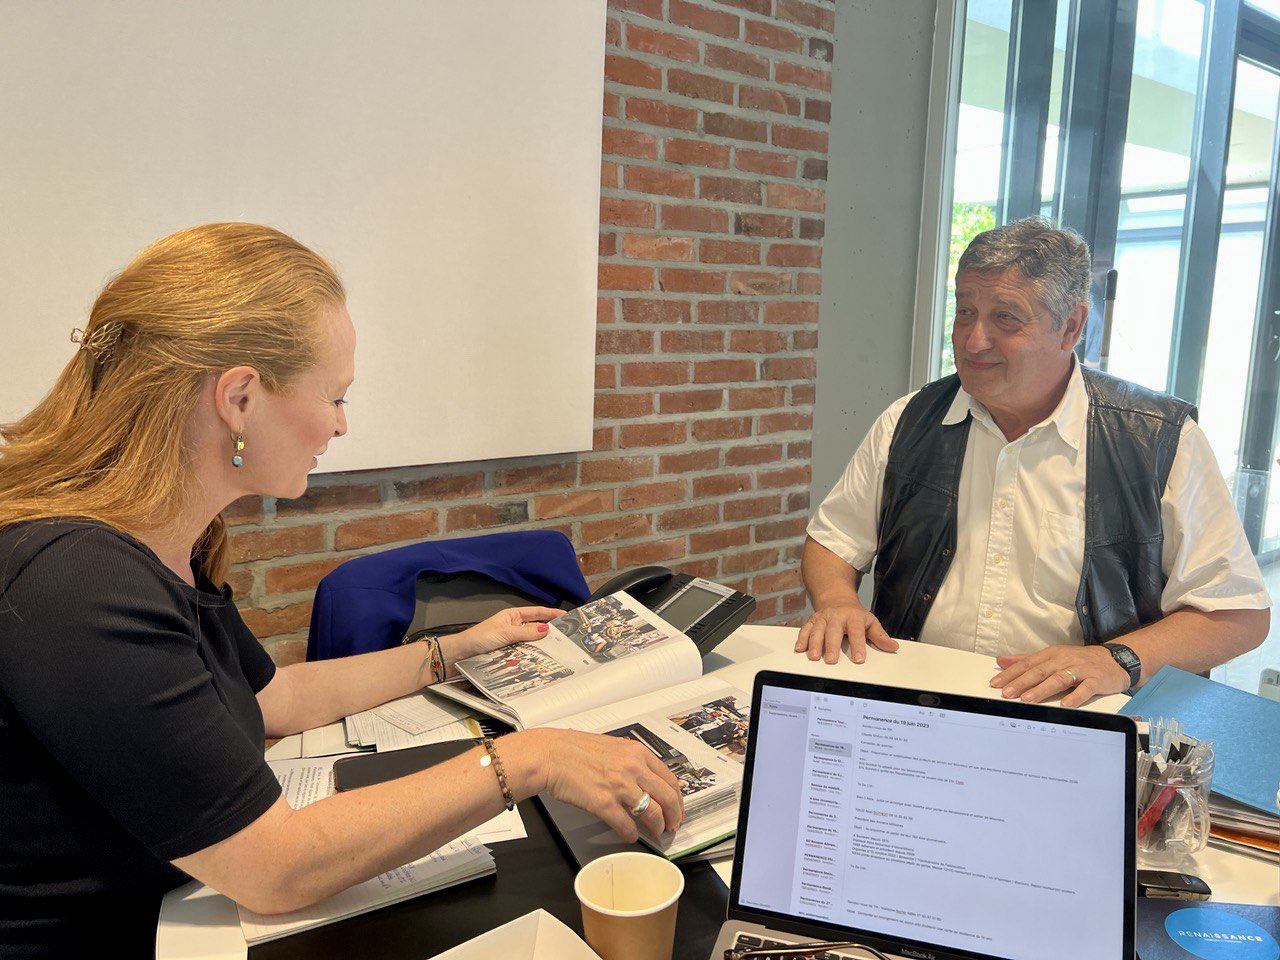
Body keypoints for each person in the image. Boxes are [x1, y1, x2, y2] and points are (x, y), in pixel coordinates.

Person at [0, 223, 683, 958]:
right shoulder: (78, 586)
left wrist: (451, 653)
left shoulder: (161, 546)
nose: (341, 423)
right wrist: (531, 759)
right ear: (238, 397)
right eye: (334, 396)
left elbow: (275, 700)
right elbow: (275, 866)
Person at [797, 216, 1270, 707]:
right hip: (915, 706)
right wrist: (836, 602)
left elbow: (1237, 614)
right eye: (965, 312)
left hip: (1074, 719)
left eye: (1006, 317)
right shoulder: (910, 420)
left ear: (1071, 326)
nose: (973, 340)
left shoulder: (1157, 439)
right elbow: (834, 540)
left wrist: (1118, 658)